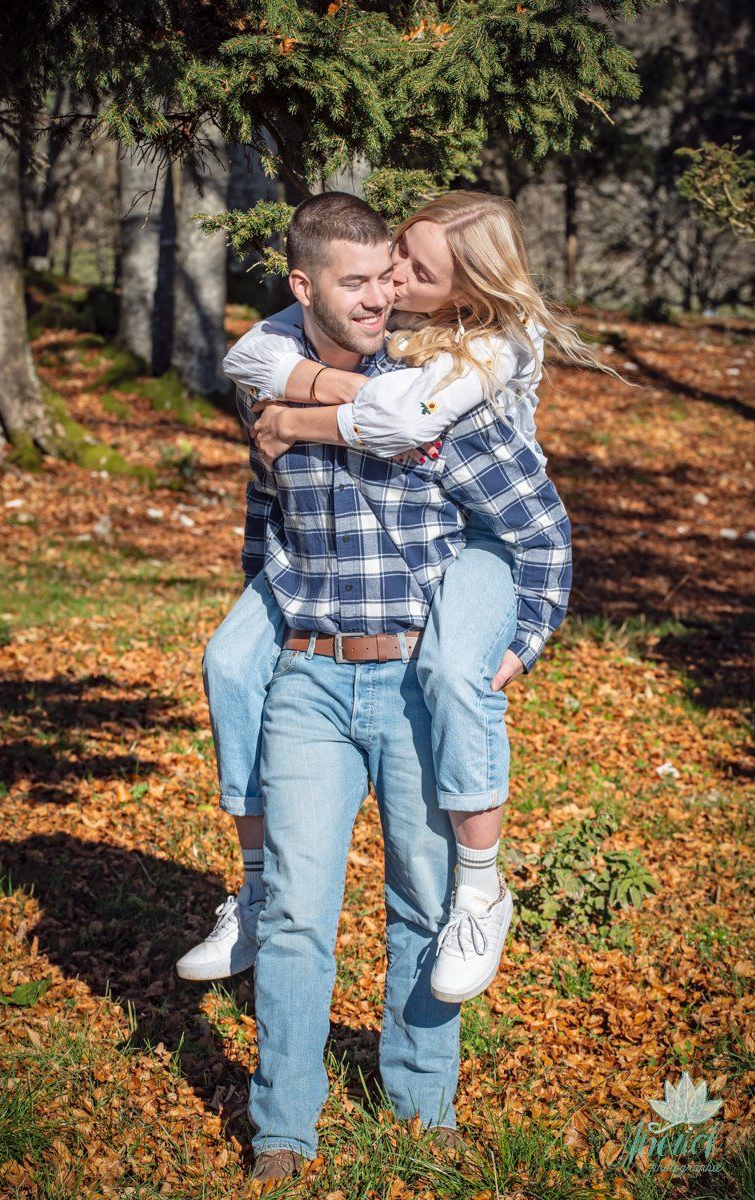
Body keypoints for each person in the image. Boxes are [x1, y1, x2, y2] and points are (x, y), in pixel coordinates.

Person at [183, 190, 576, 1183]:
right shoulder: (266, 384)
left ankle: (422, 1105)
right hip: (309, 682)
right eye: (357, 282)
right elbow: (265, 519)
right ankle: (283, 1129)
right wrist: (265, 623)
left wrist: (524, 638)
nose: (381, 296)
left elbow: (536, 522)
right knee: (295, 915)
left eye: (387, 278)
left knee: (424, 903)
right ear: (304, 288)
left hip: (413, 683)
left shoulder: (439, 395)